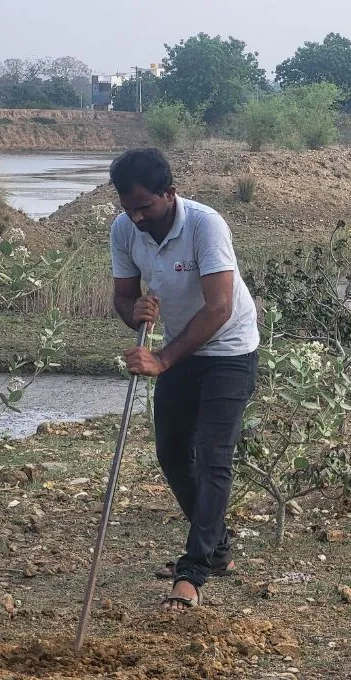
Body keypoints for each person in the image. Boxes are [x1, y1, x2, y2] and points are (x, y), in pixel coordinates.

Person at [109, 148, 259, 610]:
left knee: (214, 457)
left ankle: (193, 573)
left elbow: (219, 308)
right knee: (172, 454)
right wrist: (131, 313)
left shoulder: (204, 226)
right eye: (128, 207)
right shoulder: (124, 230)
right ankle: (218, 548)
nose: (136, 217)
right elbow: (122, 298)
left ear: (169, 193)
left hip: (229, 351)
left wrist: (163, 359)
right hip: (177, 350)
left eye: (145, 207)